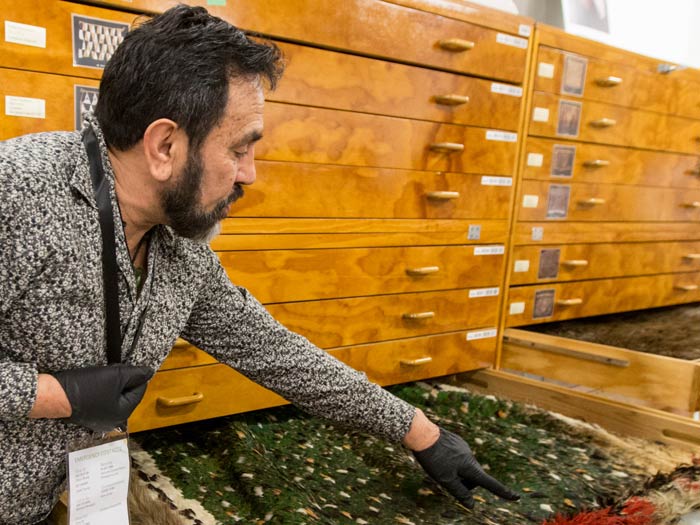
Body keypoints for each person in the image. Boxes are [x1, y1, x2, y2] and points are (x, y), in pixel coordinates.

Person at [0, 5, 519, 523]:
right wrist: (52, 395)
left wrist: (419, 432)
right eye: (240, 149)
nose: (250, 175)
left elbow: (273, 351)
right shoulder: (17, 194)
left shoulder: (179, 248)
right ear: (164, 146)